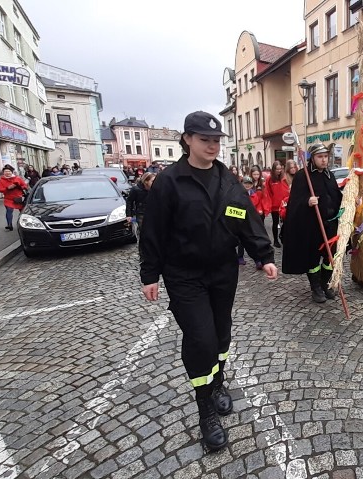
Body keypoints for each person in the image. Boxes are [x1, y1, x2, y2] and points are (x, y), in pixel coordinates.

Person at [140, 111, 277, 453]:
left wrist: (264, 255)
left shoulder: (228, 181)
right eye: (205, 139)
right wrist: (149, 274)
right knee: (201, 339)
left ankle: (217, 383)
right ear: (187, 139)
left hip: (222, 271)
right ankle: (205, 409)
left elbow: (246, 219)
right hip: (183, 275)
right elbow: (152, 231)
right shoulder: (170, 182)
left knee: (221, 333)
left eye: (216, 140)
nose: (212, 145)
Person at [282, 143, 343, 303]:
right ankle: (315, 287)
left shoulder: (330, 175)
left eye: (325, 156)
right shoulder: (304, 176)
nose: (324, 160)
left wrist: (348, 201)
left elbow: (335, 196)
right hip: (312, 225)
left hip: (330, 224)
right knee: (313, 258)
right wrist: (307, 201)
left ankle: (325, 283)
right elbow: (294, 202)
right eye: (320, 157)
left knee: (330, 257)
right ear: (313, 158)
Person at [263, 161, 289, 248]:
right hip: (275, 206)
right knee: (275, 223)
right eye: (277, 169)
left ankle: (282, 236)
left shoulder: (284, 178)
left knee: (286, 222)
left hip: (284, 204)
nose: (279, 171)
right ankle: (275, 241)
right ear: (273, 169)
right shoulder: (270, 179)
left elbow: (287, 190)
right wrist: (269, 205)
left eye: (280, 169)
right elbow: (268, 193)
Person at [0, 165, 28, 231]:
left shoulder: (17, 178)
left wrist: (19, 187)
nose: (7, 173)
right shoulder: (1, 180)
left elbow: (25, 186)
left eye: (9, 171)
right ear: (3, 172)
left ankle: (24, 224)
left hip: (18, 198)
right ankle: (9, 225)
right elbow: (0, 189)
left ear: (12, 172)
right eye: (5, 171)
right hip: (8, 198)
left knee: (22, 211)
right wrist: (8, 188)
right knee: (9, 211)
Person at [126, 172, 155, 239]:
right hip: (141, 213)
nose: (154, 183)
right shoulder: (136, 189)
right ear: (146, 181)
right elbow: (129, 201)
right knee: (143, 232)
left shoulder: (155, 189)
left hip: (153, 213)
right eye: (152, 181)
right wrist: (129, 215)